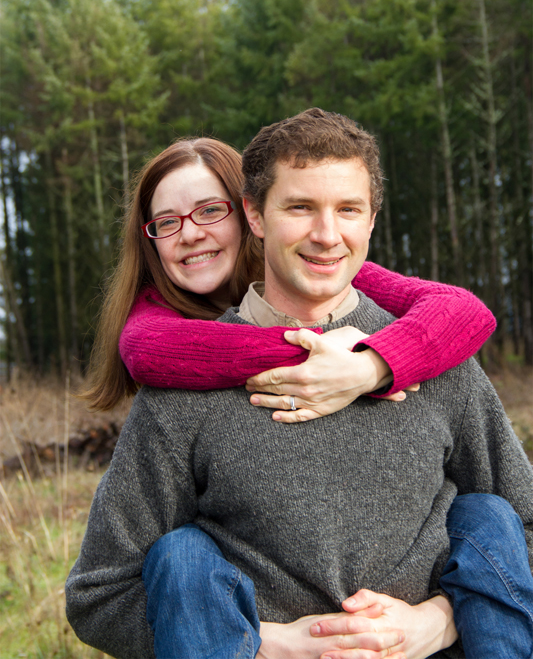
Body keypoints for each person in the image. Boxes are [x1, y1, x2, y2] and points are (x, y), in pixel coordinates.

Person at [66, 109, 533, 659]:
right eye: (301, 208)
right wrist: (261, 642)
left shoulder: (434, 357)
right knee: (180, 554)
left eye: (348, 210)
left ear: (372, 220)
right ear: (256, 217)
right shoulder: (182, 388)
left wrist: (442, 619)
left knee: (488, 515)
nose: (327, 234)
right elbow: (100, 594)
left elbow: (523, 526)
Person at [85, 136, 495, 420]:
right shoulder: (152, 314)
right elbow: (147, 349)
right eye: (167, 222)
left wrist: (372, 364)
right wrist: (323, 354)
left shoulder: (312, 266)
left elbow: (464, 310)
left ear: (252, 215)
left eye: (210, 211)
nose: (190, 233)